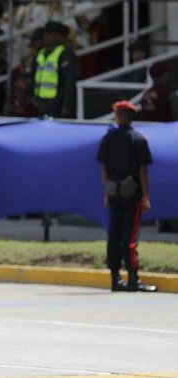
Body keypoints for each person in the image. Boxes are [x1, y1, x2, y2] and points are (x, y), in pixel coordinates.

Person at [97, 101, 157, 292]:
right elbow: (143, 171)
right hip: (132, 195)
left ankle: (115, 279)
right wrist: (145, 196)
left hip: (114, 193)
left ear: (118, 117)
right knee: (129, 237)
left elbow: (104, 168)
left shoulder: (108, 139)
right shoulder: (138, 139)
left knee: (114, 235)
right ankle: (133, 279)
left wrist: (106, 192)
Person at [32, 21, 78, 118]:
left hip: (57, 103)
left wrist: (67, 106)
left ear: (59, 37)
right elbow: (34, 77)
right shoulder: (41, 53)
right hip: (41, 102)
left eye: (50, 34)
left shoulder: (65, 54)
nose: (46, 37)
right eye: (45, 34)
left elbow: (70, 82)